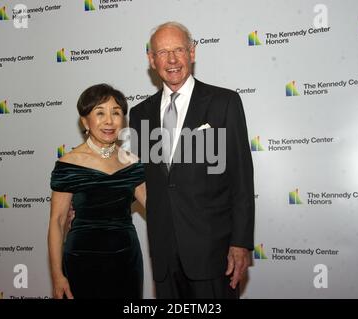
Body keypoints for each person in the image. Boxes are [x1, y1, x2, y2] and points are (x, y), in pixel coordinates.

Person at [129, 22, 255, 299]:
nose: (172, 60)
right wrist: (89, 205)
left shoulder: (224, 103)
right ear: (151, 60)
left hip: (214, 251)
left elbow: (242, 178)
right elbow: (134, 177)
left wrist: (241, 243)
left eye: (179, 50)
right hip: (163, 254)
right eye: (163, 53)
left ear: (192, 53)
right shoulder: (140, 114)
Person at [48, 84, 146, 299]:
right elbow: (57, 221)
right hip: (82, 260)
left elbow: (159, 209)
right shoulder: (69, 165)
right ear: (85, 121)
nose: (109, 121)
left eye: (116, 113)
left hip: (127, 260)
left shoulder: (132, 163)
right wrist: (57, 275)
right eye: (100, 113)